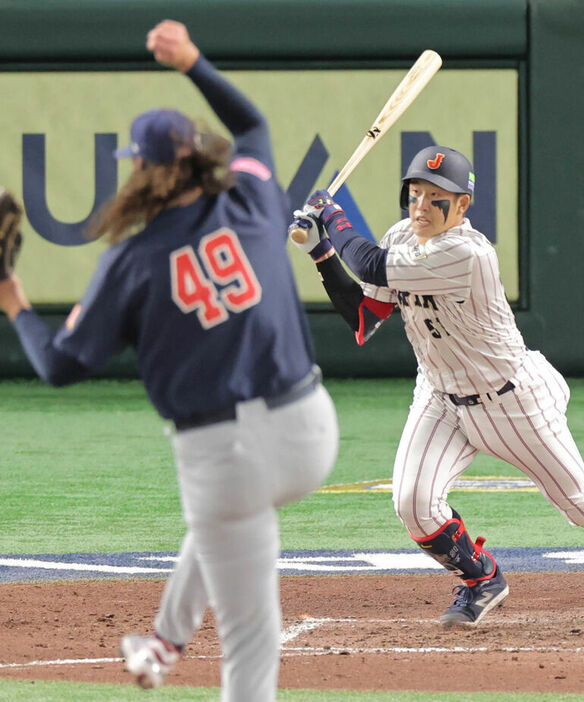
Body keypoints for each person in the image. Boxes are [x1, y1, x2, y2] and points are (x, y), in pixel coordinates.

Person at [0, 20, 338, 701]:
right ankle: (162, 641)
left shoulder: (130, 261)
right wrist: (192, 62)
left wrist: (11, 298)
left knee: (247, 626)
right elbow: (252, 123)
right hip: (309, 432)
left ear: (147, 171)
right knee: (222, 528)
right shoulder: (250, 198)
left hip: (223, 458)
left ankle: (165, 645)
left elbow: (59, 367)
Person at [286, 145, 584, 624]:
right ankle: (480, 577)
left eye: (436, 197)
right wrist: (321, 251)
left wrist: (334, 215)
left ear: (462, 206)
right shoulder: (401, 236)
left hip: (508, 399)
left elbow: (372, 265)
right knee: (413, 503)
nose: (421, 205)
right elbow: (363, 317)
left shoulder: (468, 253)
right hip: (439, 394)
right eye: (415, 193)